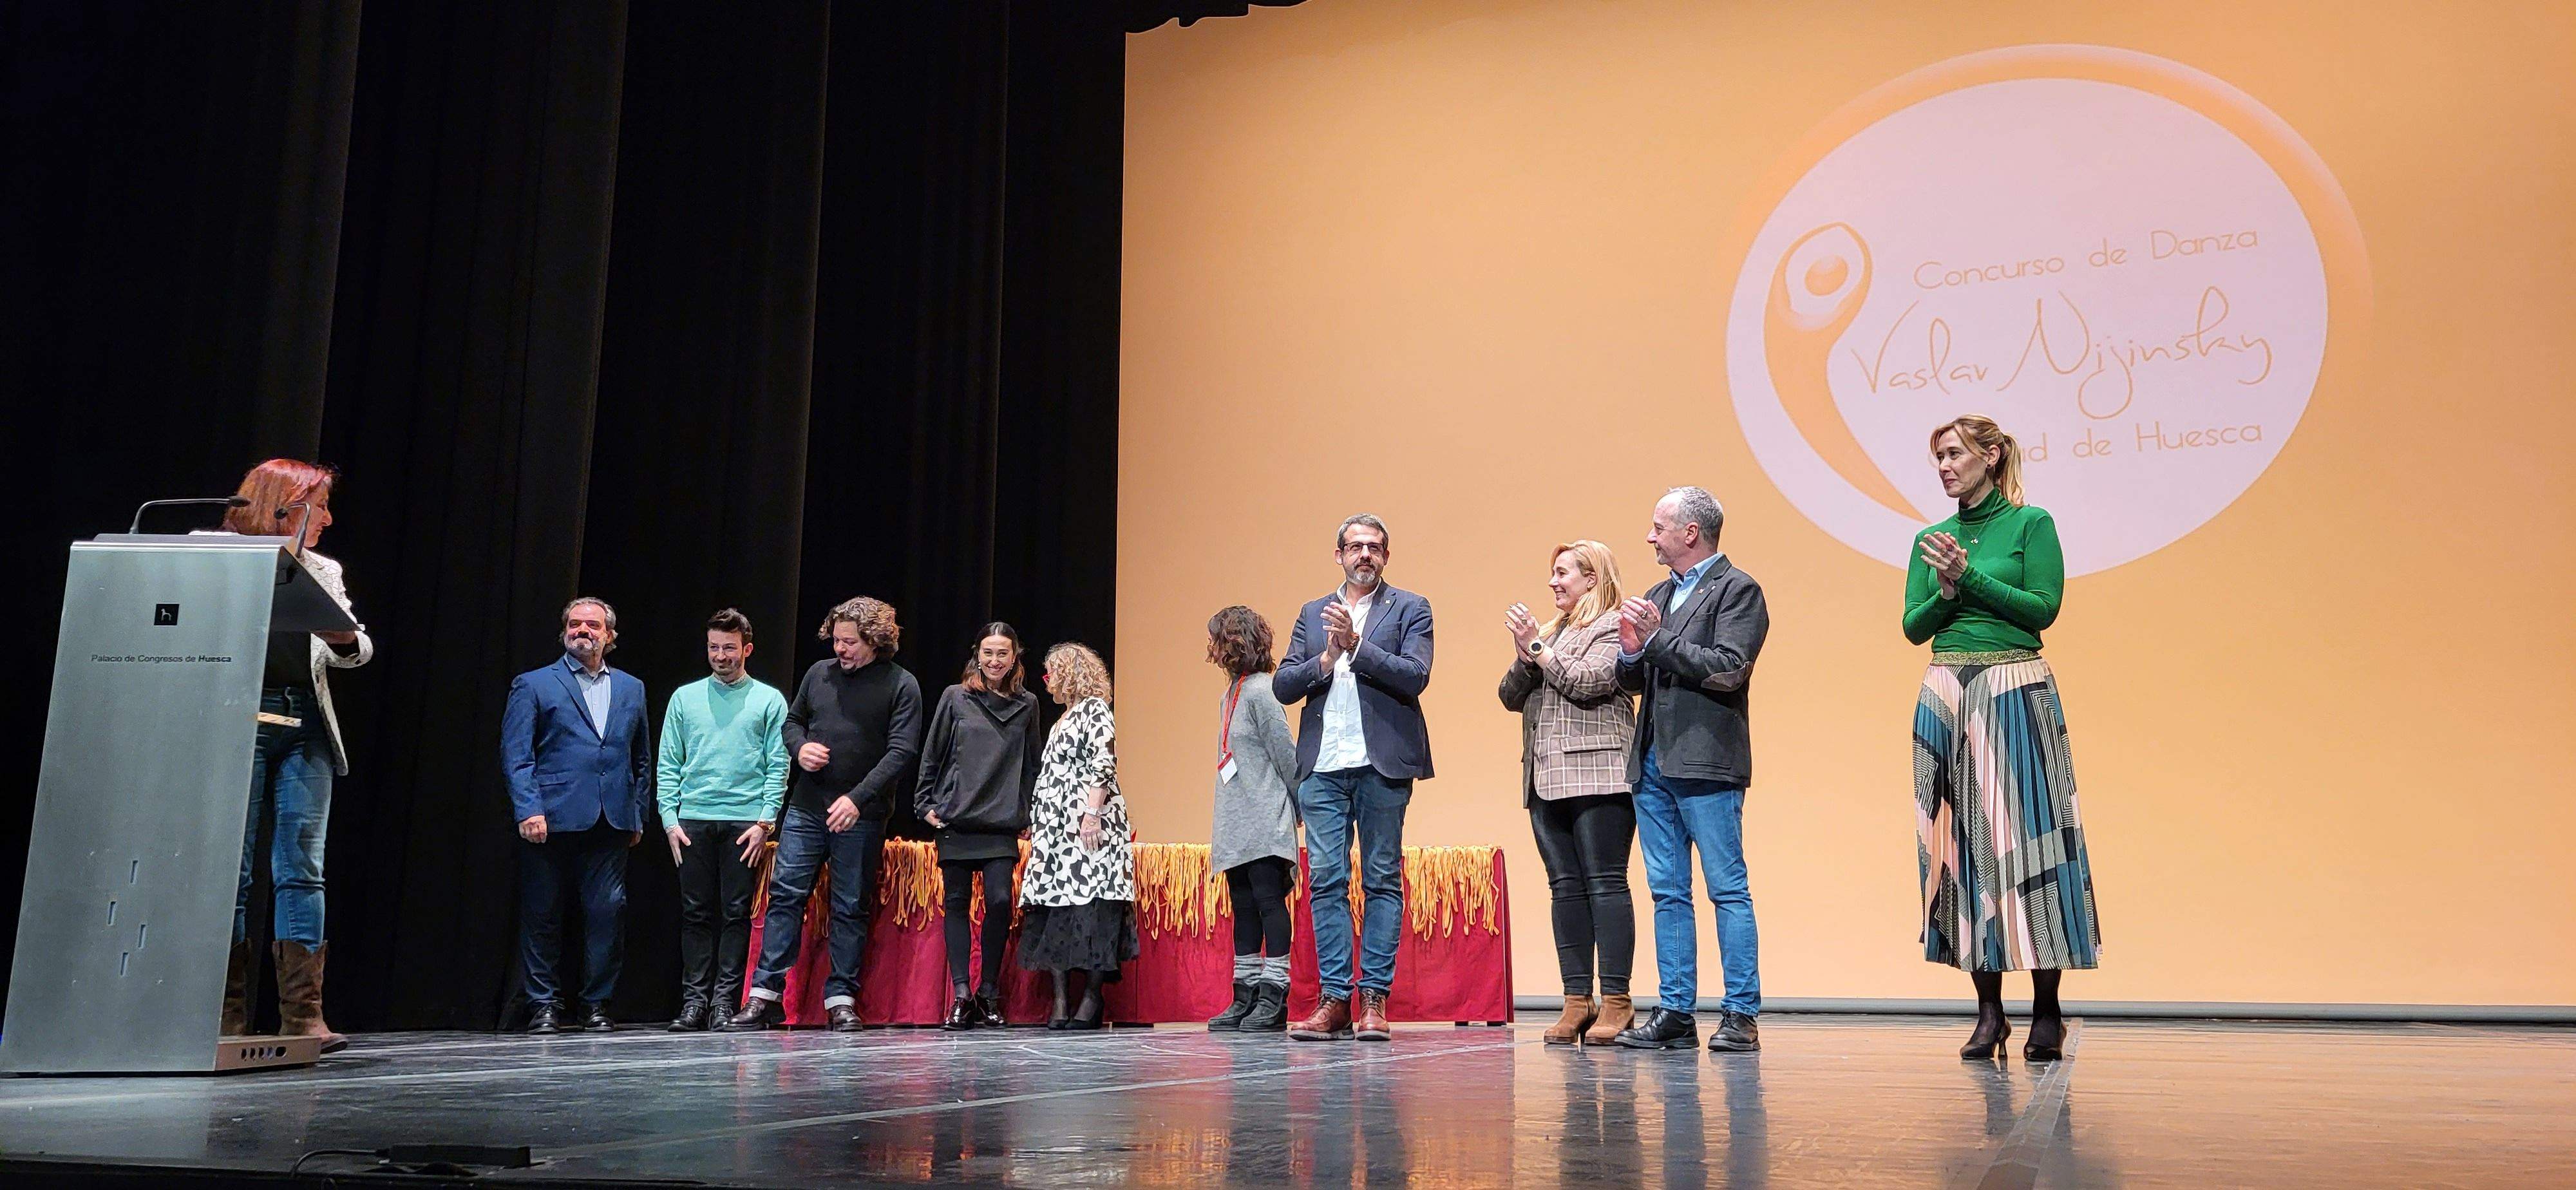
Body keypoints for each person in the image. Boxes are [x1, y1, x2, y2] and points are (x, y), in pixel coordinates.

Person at [1904, 415, 2101, 1062]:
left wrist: (1972, 579)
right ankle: (1988, 1012)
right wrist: (1944, 590)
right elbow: (1913, 626)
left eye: (1955, 453)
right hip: (1947, 690)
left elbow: (2042, 609)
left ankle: (2047, 1009)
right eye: (1938, 456)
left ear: (1991, 458)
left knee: (2034, 843)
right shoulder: (1931, 539)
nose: (1944, 465)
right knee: (1960, 849)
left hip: (2014, 686)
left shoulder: (2030, 525)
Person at [205, 459, 373, 1052]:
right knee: (233, 868)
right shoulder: (218, 555)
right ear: (285, 503)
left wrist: (345, 639)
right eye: (320, 505)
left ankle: (303, 1016)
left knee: (302, 868)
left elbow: (357, 648)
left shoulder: (322, 568)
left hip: (304, 722)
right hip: (237, 720)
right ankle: (223, 1014)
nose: (327, 519)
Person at [1611, 486, 1769, 1054]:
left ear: (1691, 534)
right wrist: (1632, 651)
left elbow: (1729, 669)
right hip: (1653, 762)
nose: (1651, 537)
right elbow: (1636, 680)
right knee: (1668, 893)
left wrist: (1657, 639)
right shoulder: (1658, 593)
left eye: (1659, 528)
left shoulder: (1738, 590)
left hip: (1706, 760)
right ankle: (1676, 1012)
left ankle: (1740, 1015)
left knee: (1727, 889)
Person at [1274, 513, 1434, 1043]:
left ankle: (1374, 1000)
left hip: (1381, 764)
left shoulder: (1410, 607)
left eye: (1375, 547)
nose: (1365, 555)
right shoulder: (1311, 612)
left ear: (1386, 556)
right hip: (1322, 769)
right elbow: (1283, 685)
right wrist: (1326, 656)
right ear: (1338, 555)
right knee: (1326, 881)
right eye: (1355, 547)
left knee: (1383, 877)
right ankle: (1335, 999)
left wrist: (1358, 647)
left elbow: (1416, 675)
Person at [728, 598, 923, 1032]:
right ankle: (764, 996)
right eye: (836, 640)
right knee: (785, 898)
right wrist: (800, 748)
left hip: (862, 814)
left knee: (850, 906)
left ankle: (840, 999)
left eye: (850, 642)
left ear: (875, 640)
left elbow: (901, 751)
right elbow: (792, 723)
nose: (841, 649)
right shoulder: (819, 675)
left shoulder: (901, 684)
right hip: (808, 808)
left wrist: (857, 799)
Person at [1498, 540, 1639, 1046]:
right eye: (1552, 574)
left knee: (1605, 883)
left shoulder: (1614, 623)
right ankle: (1578, 999)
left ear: (1593, 579)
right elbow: (1510, 696)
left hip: (1600, 775)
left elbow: (1589, 681)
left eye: (1563, 574)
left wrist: (1538, 649)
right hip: (1545, 778)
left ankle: (1618, 1000)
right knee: (1564, 888)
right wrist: (1527, 655)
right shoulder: (1552, 632)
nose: (1554, 582)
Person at [502, 598, 652, 1035]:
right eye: (574, 623)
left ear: (609, 635)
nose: (581, 630)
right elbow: (516, 754)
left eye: (592, 624)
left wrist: (638, 814)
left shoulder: (631, 687)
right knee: (543, 914)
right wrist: (528, 808)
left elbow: (640, 758)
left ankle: (596, 1005)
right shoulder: (533, 684)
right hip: (549, 821)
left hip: (612, 821)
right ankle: (544, 1004)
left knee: (608, 913)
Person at [655, 609, 790, 1032]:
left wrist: (765, 821)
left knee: (735, 914)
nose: (720, 655)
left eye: (729, 648)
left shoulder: (768, 700)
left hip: (744, 824)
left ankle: (723, 1003)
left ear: (746, 649)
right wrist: (668, 818)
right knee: (695, 913)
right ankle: (694, 1002)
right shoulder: (684, 697)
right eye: (714, 647)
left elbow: (778, 764)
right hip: (692, 821)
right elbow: (668, 762)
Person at [915, 623, 1043, 1030]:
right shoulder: (956, 697)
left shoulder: (1028, 704)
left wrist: (1029, 812)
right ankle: (961, 995)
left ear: (1015, 657)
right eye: (988, 652)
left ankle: (989, 991)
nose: (994, 661)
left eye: (1002, 653)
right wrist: (924, 805)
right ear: (977, 654)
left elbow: (1033, 764)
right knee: (955, 903)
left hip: (1001, 822)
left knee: (1001, 902)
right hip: (957, 818)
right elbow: (933, 753)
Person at [1016, 643, 1137, 1031]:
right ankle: (1060, 1000)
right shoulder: (1062, 719)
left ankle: (1090, 999)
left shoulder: (1095, 710)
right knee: (1058, 910)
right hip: (1055, 835)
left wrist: (1091, 814)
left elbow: (1103, 762)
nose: (1047, 681)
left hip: (1088, 827)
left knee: (1093, 907)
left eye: (1052, 673)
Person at [1203, 605, 1300, 1033]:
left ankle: (1274, 996)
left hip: (1264, 815)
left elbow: (1284, 753)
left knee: (1266, 902)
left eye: (1215, 638)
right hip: (1236, 821)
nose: (1210, 647)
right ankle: (1243, 996)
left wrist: (1299, 807)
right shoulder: (1231, 693)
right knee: (1242, 907)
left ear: (1233, 641)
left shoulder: (1263, 690)